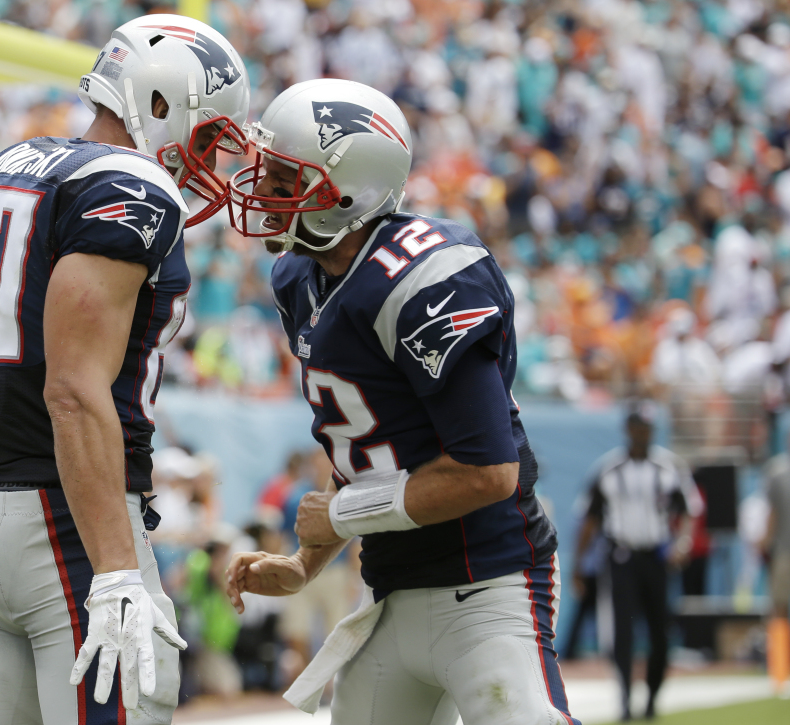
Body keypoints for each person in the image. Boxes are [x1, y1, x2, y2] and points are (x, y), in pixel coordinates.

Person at [225, 79, 574, 725]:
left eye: (283, 178)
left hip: (486, 582)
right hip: (389, 589)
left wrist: (340, 516)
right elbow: (362, 444)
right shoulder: (299, 277)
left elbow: (486, 471)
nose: (263, 192)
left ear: (346, 191)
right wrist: (306, 562)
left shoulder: (425, 277)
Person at [0, 15, 249, 725]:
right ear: (162, 105)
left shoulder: (17, 163)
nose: (205, 159)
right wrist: (114, 567)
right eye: (207, 136)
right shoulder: (130, 187)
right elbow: (73, 391)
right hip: (68, 524)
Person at [573, 409, 702, 720]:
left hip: (656, 557)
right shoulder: (609, 469)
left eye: (649, 427)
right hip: (621, 558)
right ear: (628, 429)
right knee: (623, 632)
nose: (644, 433)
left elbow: (690, 510)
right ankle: (626, 699)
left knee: (660, 633)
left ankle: (653, 698)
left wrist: (682, 543)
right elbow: (590, 520)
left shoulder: (668, 466)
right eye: (639, 427)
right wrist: (579, 565)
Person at [762, 444, 790, 697]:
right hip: (785, 551)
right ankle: (780, 671)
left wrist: (765, 541)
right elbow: (773, 514)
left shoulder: (778, 472)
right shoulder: (779, 473)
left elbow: (772, 515)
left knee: (779, 610)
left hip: (784, 553)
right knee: (779, 609)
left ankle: (781, 672)